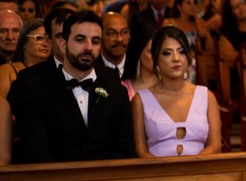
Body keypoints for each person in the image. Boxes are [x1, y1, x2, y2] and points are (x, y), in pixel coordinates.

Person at [8, 10, 135, 162]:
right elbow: (36, 151)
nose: (89, 47)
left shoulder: (117, 92)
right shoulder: (36, 89)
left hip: (108, 175)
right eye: (80, 40)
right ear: (63, 44)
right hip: (54, 175)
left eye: (95, 41)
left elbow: (124, 150)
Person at [132, 27, 221, 157]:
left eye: (181, 52)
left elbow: (215, 145)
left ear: (188, 57)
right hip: (157, 169)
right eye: (167, 53)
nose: (176, 58)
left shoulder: (207, 96)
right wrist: (166, 167)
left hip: (200, 168)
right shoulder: (140, 100)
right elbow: (141, 151)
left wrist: (191, 165)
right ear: (156, 60)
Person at [0, 19, 51, 99]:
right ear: (24, 42)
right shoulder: (7, 70)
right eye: (39, 38)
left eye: (49, 39)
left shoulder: (56, 72)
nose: (45, 44)